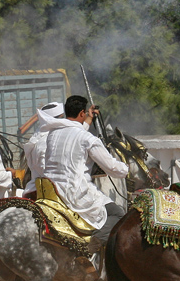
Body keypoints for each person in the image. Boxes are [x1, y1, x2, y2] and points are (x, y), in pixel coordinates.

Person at [42, 95, 129, 257]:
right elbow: (113, 168)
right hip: (75, 193)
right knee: (117, 213)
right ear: (81, 113)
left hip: (51, 192)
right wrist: (125, 168)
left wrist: (89, 118)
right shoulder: (88, 138)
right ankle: (89, 248)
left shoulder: (52, 134)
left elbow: (75, 133)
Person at [22, 102, 65, 200]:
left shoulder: (46, 136)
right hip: (45, 193)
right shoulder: (44, 142)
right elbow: (47, 173)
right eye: (62, 118)